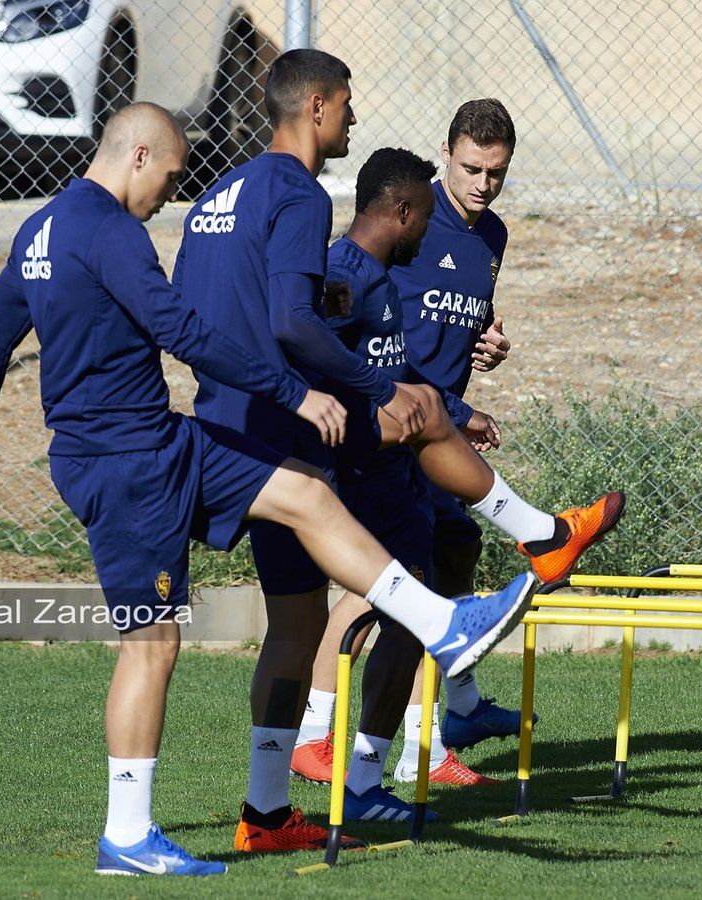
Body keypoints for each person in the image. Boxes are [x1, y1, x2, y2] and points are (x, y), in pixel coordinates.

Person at [0, 101, 537, 876]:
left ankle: (436, 628)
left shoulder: (41, 229)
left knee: (305, 498)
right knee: (152, 644)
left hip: (163, 439)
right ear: (140, 156)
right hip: (126, 462)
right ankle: (127, 834)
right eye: (173, 177)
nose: (169, 197)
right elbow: (178, 330)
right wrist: (290, 391)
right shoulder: (109, 229)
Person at [173, 52, 626, 846]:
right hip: (282, 431)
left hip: (233, 423)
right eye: (346, 105)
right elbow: (290, 320)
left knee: (296, 625)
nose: (353, 118)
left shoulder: (220, 193)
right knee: (153, 642)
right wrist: (356, 385)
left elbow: (211, 309)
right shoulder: (298, 193)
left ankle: (267, 812)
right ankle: (538, 539)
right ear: (315, 106)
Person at [294, 99, 530, 785]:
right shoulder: (404, 218)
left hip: (438, 427)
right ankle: (318, 732)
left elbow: (457, 317)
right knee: (389, 584)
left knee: (451, 561)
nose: (483, 184)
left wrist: (487, 342)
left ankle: (437, 731)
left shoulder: (493, 237)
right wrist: (452, 408)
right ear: (446, 153)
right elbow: (361, 329)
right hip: (395, 427)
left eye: (497, 172)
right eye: (471, 168)